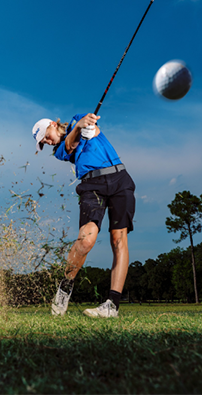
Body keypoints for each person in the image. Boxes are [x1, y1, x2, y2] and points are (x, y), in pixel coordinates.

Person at [32, 113, 135, 318]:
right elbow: (70, 144)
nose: (45, 141)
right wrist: (80, 128)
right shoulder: (59, 151)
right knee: (86, 240)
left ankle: (112, 305)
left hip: (120, 179)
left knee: (118, 239)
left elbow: (94, 129)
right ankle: (65, 288)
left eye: (44, 135)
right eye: (42, 142)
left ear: (53, 124)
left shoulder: (76, 118)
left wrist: (87, 127)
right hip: (91, 185)